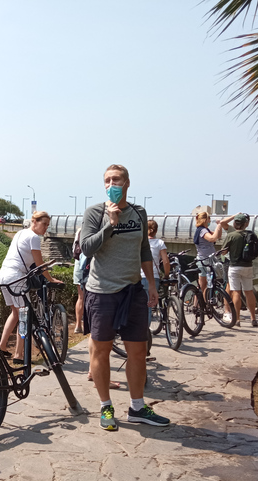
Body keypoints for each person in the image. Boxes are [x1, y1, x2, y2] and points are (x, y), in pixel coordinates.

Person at [81, 164, 169, 431]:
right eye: (107, 180)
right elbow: (87, 247)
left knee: (139, 352)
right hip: (102, 292)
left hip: (133, 291)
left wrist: (151, 284)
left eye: (116, 179)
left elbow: (144, 249)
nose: (111, 184)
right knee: (101, 350)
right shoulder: (94, 212)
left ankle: (138, 408)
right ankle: (106, 406)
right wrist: (110, 223)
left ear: (127, 183)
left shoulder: (139, 213)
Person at [0, 211, 61, 364]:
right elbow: (39, 264)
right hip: (16, 277)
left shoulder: (20, 233)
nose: (46, 228)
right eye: (44, 224)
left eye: (47, 225)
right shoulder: (33, 237)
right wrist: (51, 279)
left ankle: (2, 346)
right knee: (24, 314)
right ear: (35, 221)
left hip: (3, 275)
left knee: (15, 312)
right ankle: (19, 355)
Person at [221, 213, 258, 327]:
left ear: (234, 224)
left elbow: (223, 251)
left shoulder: (232, 235)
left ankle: (237, 319)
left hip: (234, 266)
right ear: (246, 224)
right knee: (248, 291)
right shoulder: (251, 235)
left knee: (236, 292)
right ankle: (253, 318)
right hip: (248, 266)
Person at [193, 212, 235, 292]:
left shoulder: (204, 230)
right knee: (203, 284)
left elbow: (218, 235)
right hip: (204, 260)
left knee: (203, 284)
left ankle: (198, 303)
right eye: (209, 219)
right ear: (205, 220)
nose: (210, 221)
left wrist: (219, 226)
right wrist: (219, 225)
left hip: (208, 259)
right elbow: (212, 238)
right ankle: (201, 303)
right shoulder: (202, 231)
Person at [72, 229, 84, 333]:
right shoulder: (96, 228)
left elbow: (74, 250)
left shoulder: (79, 230)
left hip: (78, 264)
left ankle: (78, 325)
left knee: (81, 297)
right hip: (91, 265)